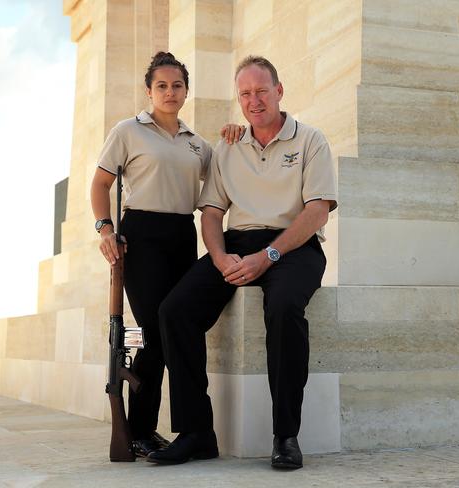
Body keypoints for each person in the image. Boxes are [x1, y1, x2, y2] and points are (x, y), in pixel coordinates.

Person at [149, 55, 337, 469]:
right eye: (246, 94)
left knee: (285, 307)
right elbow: (213, 213)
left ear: (279, 91)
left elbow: (317, 211)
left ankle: (286, 435)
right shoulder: (229, 147)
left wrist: (267, 256)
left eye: (262, 91)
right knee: (174, 311)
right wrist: (219, 258)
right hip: (236, 242)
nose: (254, 100)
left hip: (294, 246)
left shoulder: (310, 140)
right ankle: (197, 432)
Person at [90, 51, 242, 459]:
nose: (170, 92)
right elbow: (100, 184)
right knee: (155, 331)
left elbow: (230, 170)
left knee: (172, 330)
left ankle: (155, 431)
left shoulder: (198, 145)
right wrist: (105, 229)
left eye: (177, 86)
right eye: (162, 85)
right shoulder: (128, 130)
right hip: (140, 235)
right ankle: (140, 429)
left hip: (182, 234)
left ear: (186, 90)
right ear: (149, 90)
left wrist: (235, 134)